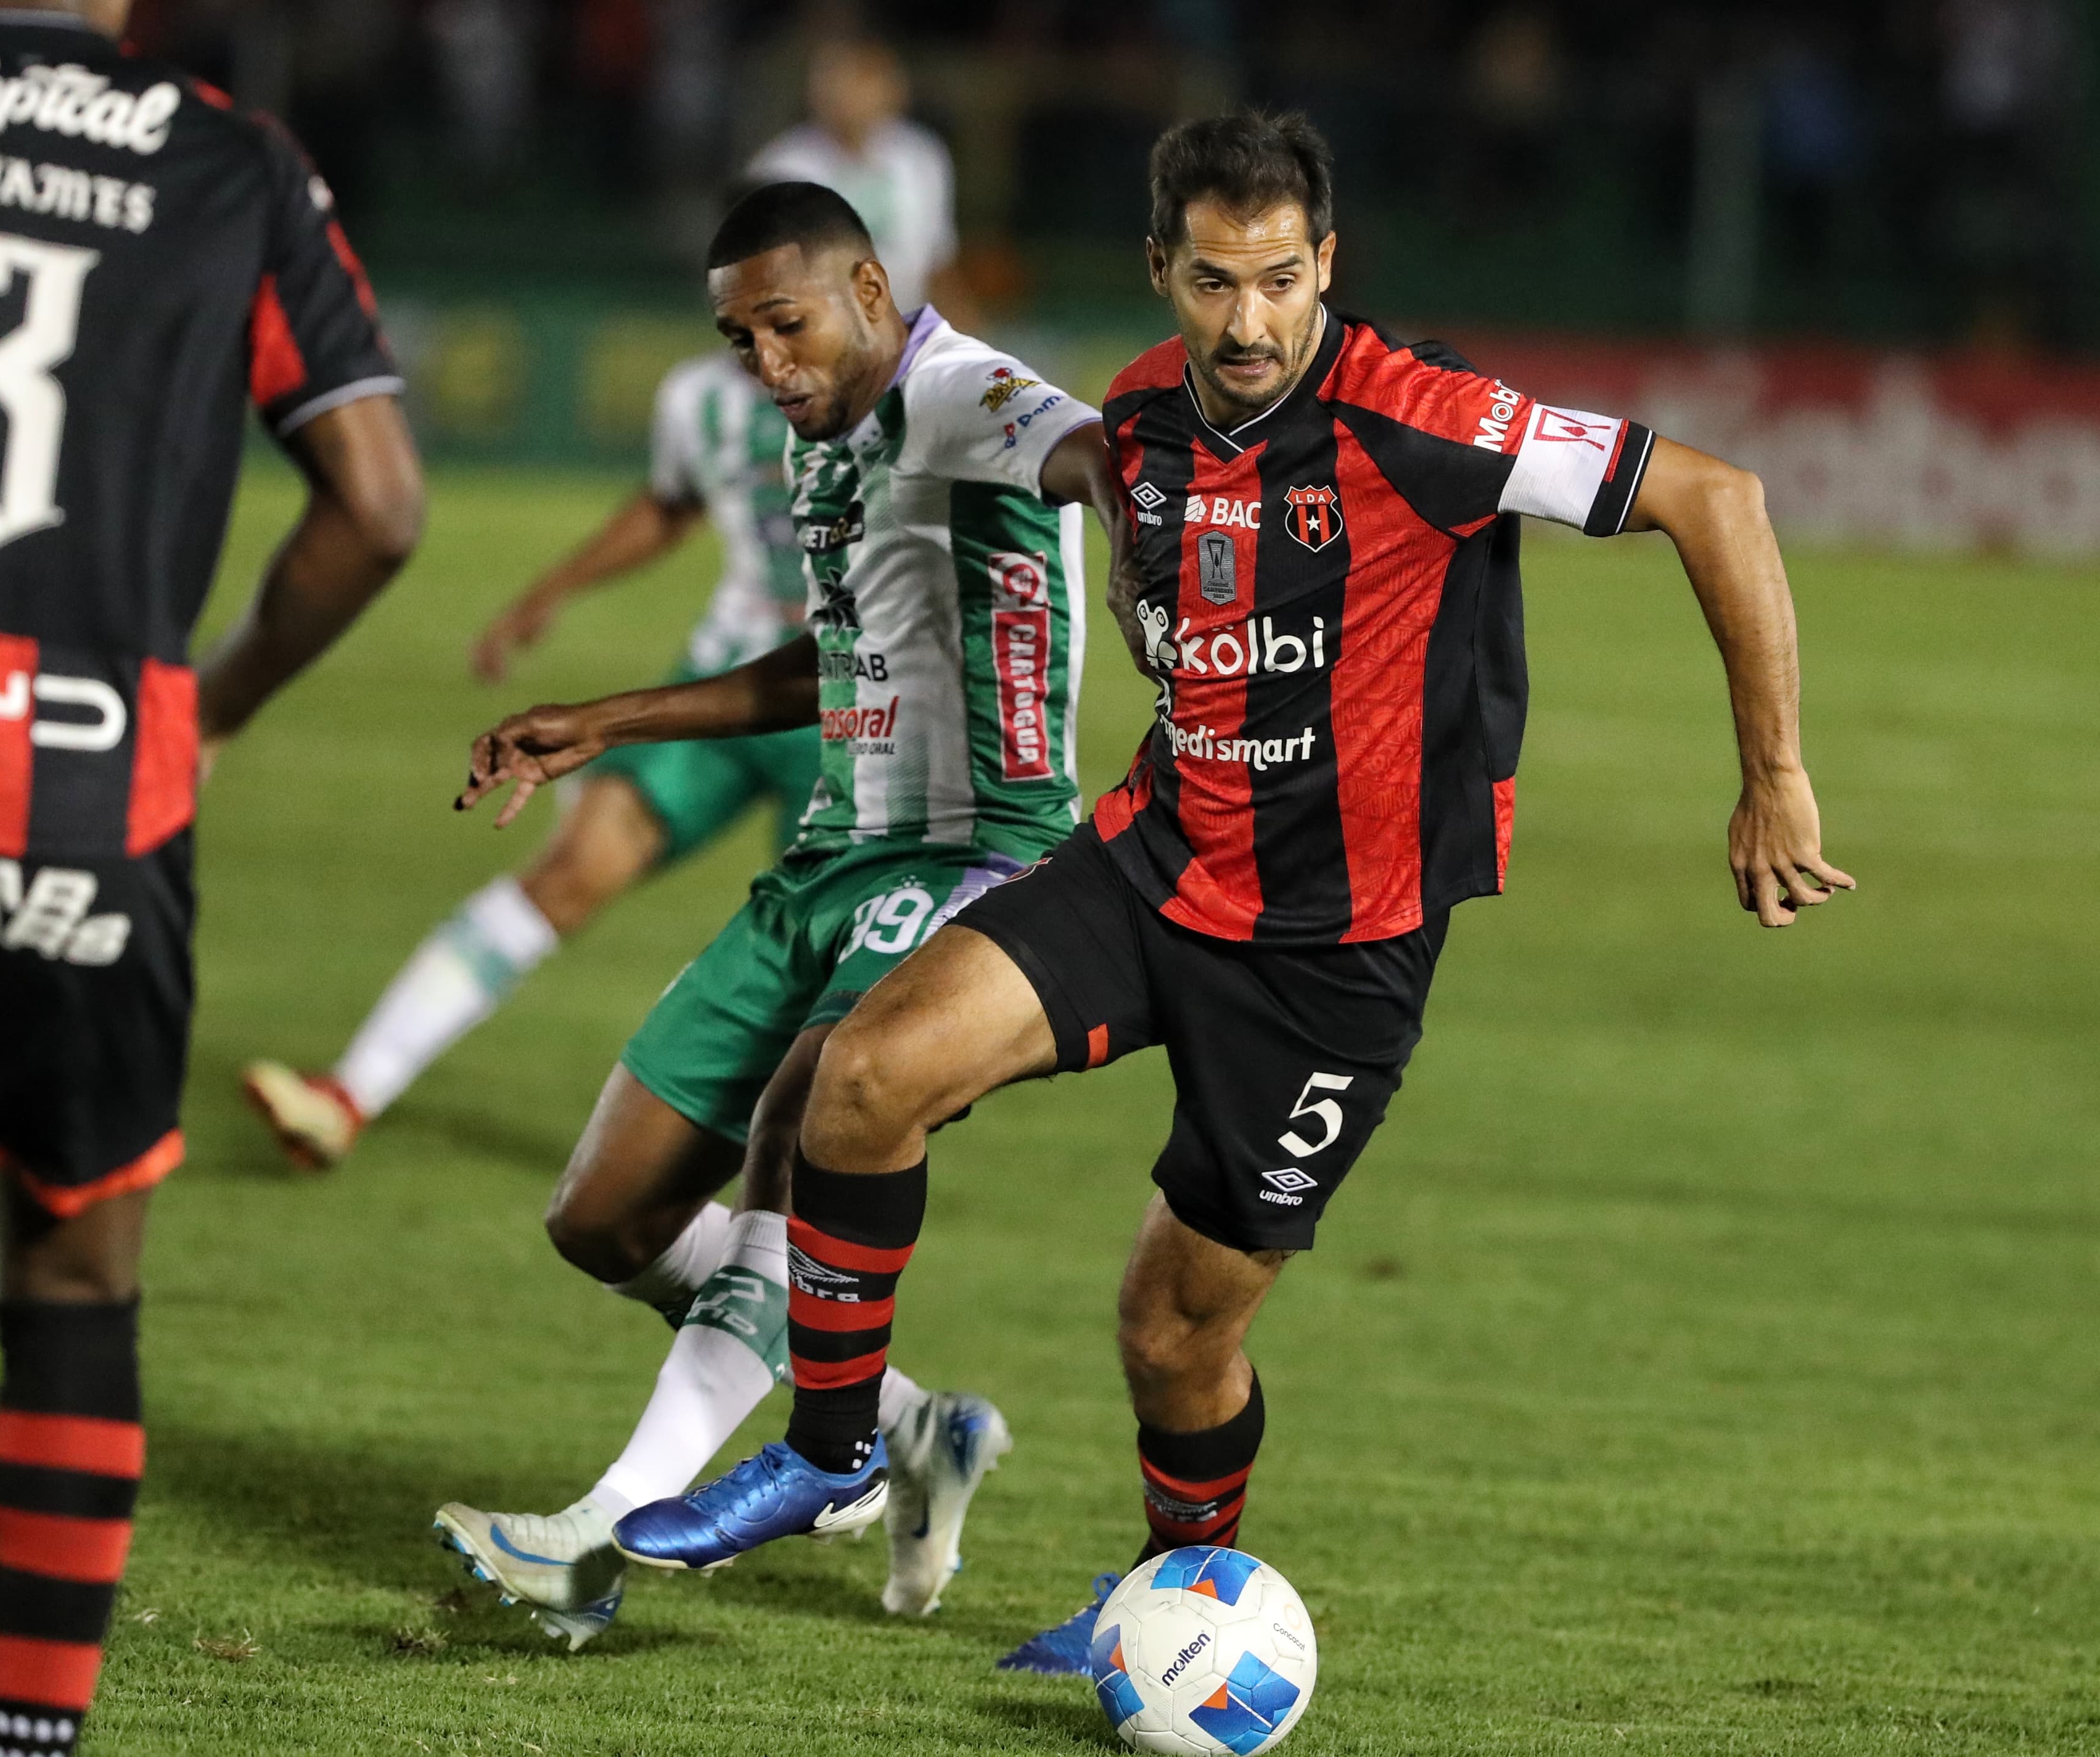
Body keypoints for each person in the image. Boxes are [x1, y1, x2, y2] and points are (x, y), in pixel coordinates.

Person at [612, 112, 1857, 1675]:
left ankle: (1169, 1600)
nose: (1248, 320)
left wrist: (1775, 775)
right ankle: (836, 1446)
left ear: (1325, 266)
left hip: (1334, 954)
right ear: (1162, 273)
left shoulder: (1424, 417)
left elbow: (1718, 497)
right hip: (1149, 867)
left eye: (1280, 280)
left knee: (1173, 1329)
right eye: (1213, 282)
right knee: (860, 1081)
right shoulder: (1136, 413)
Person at [0, 3, 423, 1753]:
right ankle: (34, 1745)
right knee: (77, 1277)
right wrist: (208, 708)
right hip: (97, 778)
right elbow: (377, 507)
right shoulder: (233, 159)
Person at [440, 180, 1131, 1646]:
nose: (765, 363)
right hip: (829, 856)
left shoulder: (960, 393)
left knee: (802, 1136)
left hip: (974, 856)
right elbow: (829, 658)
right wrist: (614, 719)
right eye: (738, 338)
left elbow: (1090, 452)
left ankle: (603, 1534)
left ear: (872, 292)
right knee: (605, 1214)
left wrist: (1149, 551)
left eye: (787, 323)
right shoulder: (823, 445)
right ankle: (902, 1422)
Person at [240, 350, 818, 1169]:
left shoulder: (896, 388)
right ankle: (351, 1092)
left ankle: (798, 1201)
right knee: (569, 870)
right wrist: (554, 587)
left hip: (860, 714)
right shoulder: (699, 398)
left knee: (828, 957)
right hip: (723, 688)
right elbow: (669, 503)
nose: (754, 332)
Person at [747, 38, 962, 318]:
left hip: (903, 324)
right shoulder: (782, 169)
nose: (848, 98)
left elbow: (937, 263)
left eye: (863, 84)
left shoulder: (919, 157)